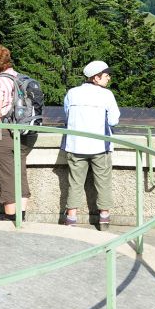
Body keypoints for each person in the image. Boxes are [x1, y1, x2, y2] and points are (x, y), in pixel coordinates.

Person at [0, 43, 36, 221]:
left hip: (3, 135)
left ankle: (11, 220)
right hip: (25, 134)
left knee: (5, 178)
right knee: (19, 174)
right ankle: (21, 217)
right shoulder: (19, 77)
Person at [62, 61, 120, 230]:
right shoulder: (106, 95)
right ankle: (104, 217)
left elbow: (67, 114)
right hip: (99, 146)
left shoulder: (72, 93)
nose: (109, 78)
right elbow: (114, 120)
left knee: (75, 183)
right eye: (106, 75)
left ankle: (71, 218)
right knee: (103, 181)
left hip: (75, 145)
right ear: (96, 78)